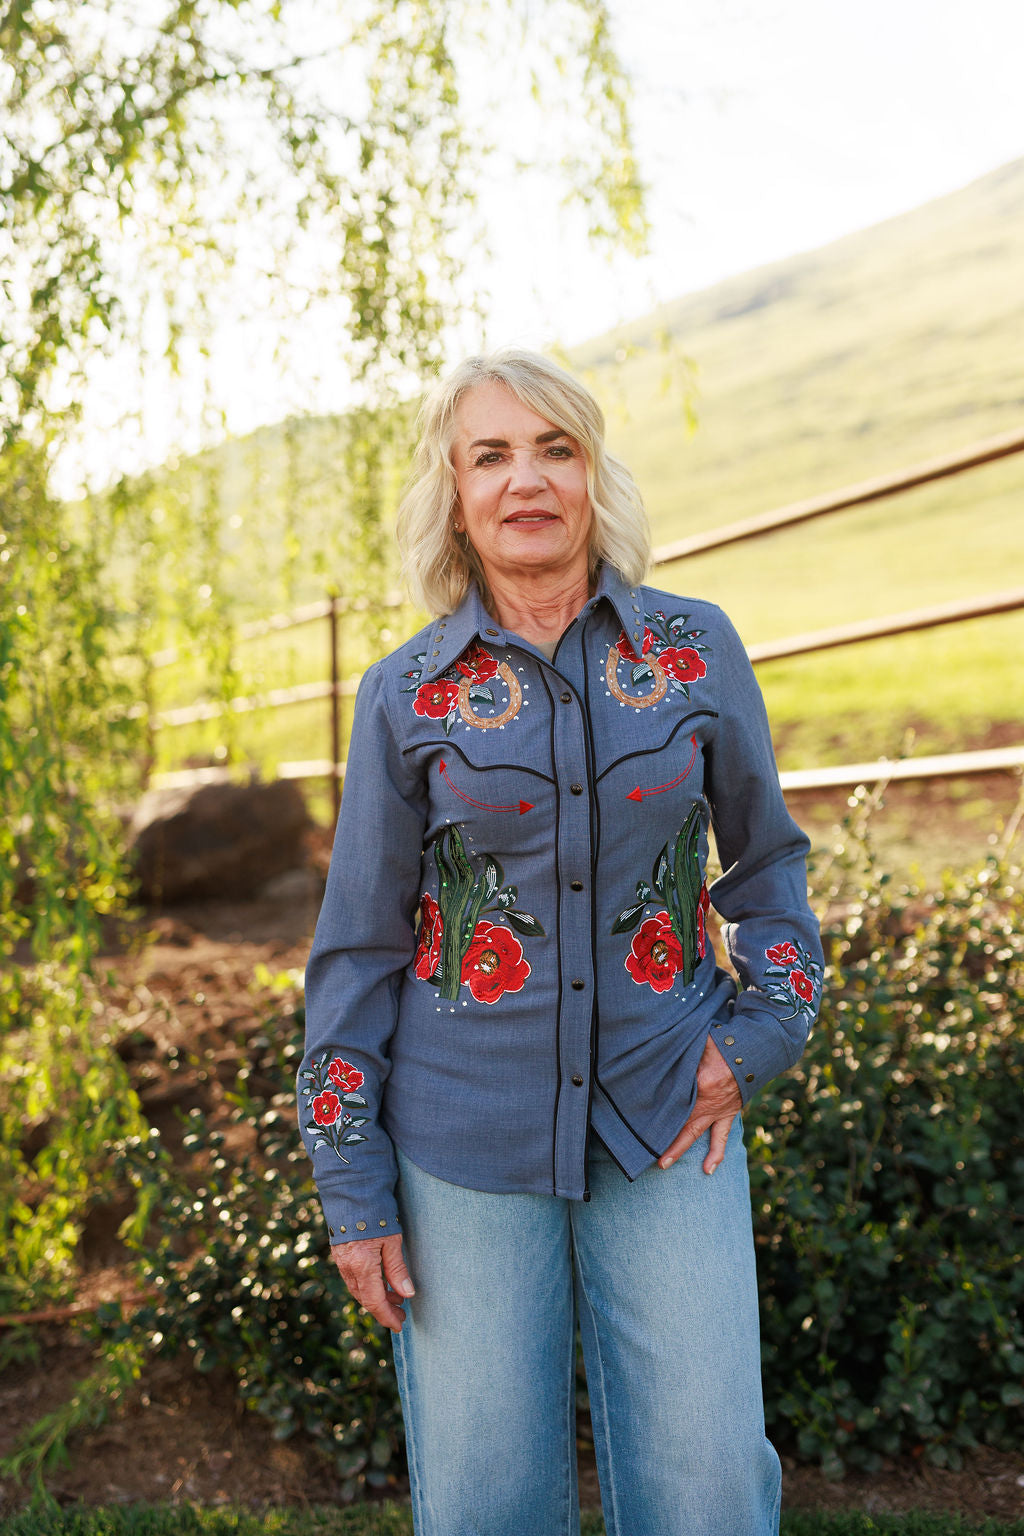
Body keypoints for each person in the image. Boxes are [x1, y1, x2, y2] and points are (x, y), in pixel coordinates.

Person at [298, 349, 824, 1536]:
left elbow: (767, 868)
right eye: (490, 455)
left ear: (593, 476)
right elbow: (357, 951)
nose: (525, 480)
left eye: (555, 449)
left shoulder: (694, 651)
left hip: (668, 1114)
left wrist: (757, 1039)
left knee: (708, 1485)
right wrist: (351, 1184)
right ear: (454, 493)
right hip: (458, 1136)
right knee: (486, 1500)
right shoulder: (405, 696)